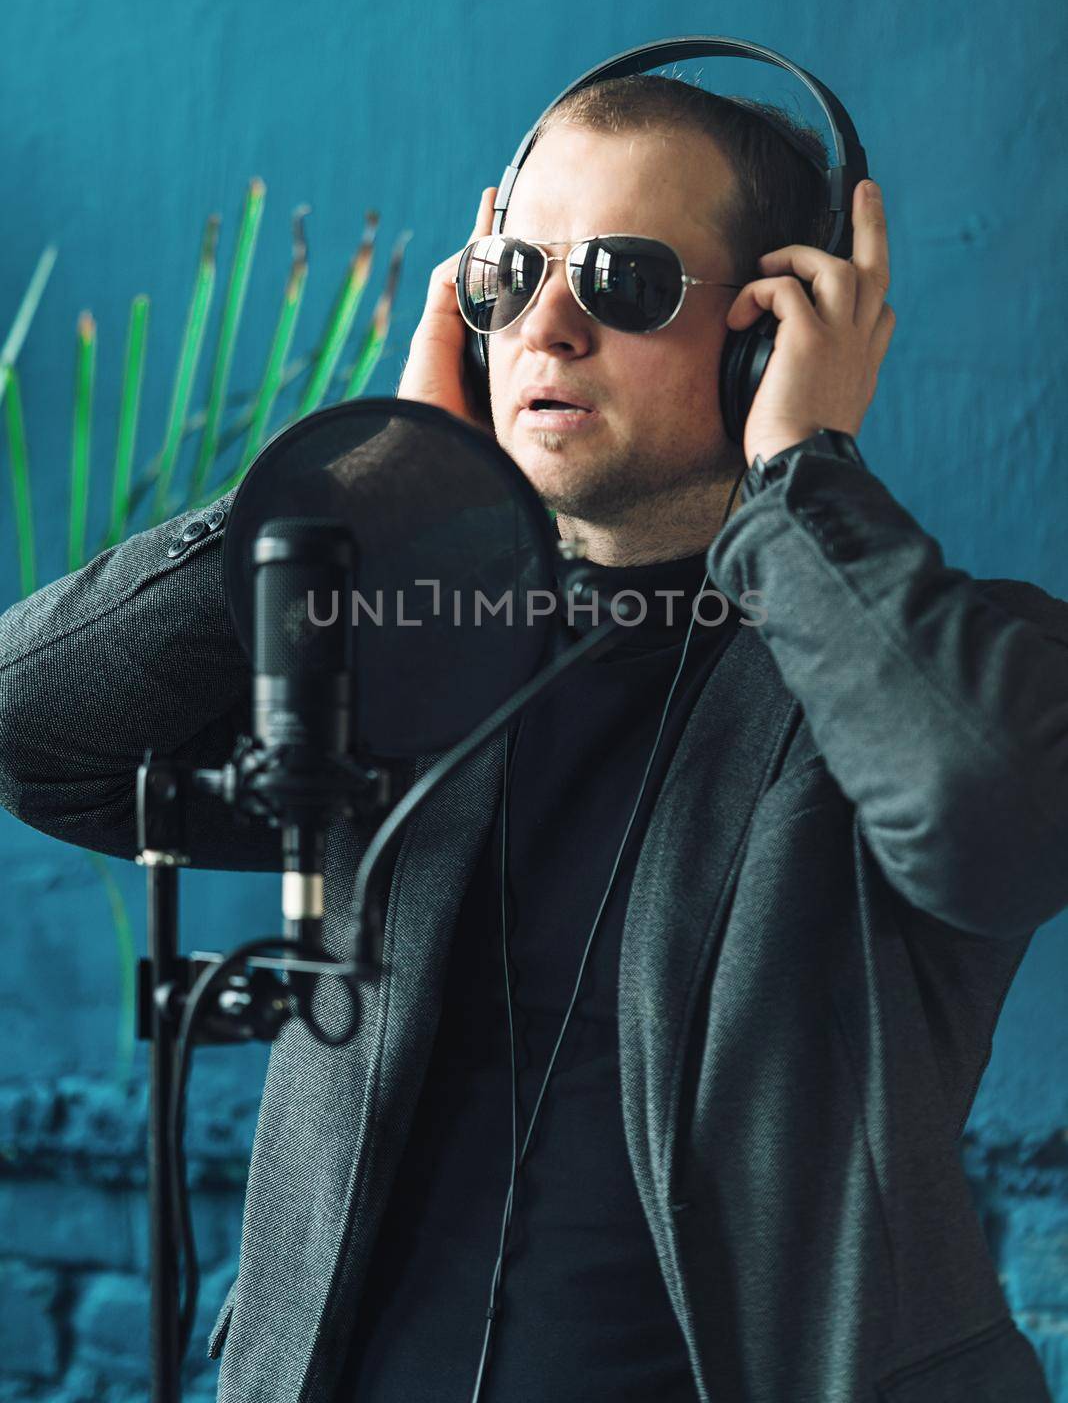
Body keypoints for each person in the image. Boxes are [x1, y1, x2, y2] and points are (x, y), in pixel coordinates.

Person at [0, 73, 1064, 1403]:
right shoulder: (395, 642)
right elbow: (33, 731)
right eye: (512, 272)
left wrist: (803, 478)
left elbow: (993, 826)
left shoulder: (935, 666)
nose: (547, 327)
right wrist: (361, 485)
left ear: (766, 335)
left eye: (622, 278)